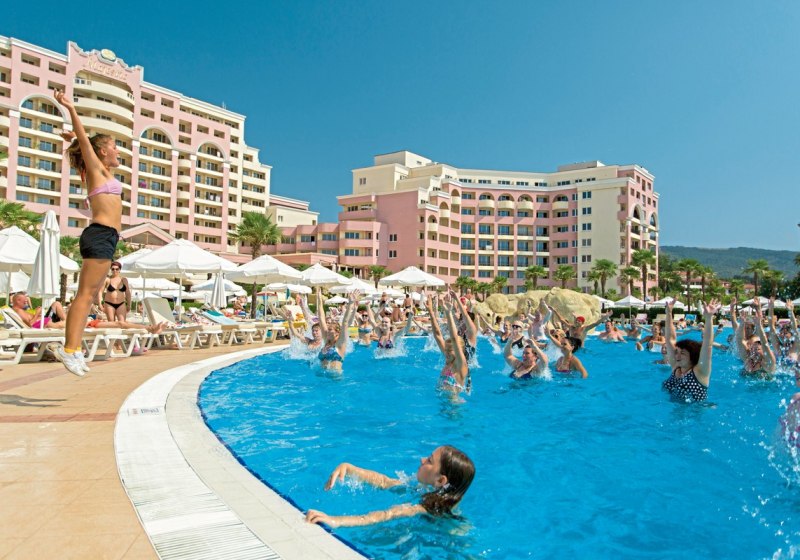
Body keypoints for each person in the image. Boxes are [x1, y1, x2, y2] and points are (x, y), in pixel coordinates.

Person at [52, 90, 123, 376]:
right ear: (102, 151)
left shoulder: (104, 174)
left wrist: (73, 141)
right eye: (114, 146)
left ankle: (74, 348)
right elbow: (85, 140)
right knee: (84, 295)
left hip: (107, 237)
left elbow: (81, 145)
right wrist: (70, 108)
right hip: (99, 234)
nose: (118, 151)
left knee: (91, 295)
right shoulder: (97, 170)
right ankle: (69, 349)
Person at [306, 445, 475, 528]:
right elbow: (385, 482)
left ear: (440, 481)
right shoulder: (433, 492)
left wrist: (335, 520)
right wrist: (350, 468)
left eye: (429, 461)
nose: (422, 459)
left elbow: (385, 515)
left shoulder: (424, 508)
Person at [661, 298, 721, 402]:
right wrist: (669, 313)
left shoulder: (700, 371)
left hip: (696, 411)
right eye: (676, 352)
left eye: (682, 353)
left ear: (692, 356)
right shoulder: (676, 367)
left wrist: (709, 318)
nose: (677, 356)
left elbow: (707, 345)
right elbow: (670, 339)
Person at [425, 295, 471, 395]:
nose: (447, 352)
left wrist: (448, 313)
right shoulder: (448, 359)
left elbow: (454, 339)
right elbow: (438, 335)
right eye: (446, 349)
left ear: (459, 350)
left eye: (450, 350)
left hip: (454, 404)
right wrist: (431, 312)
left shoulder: (461, 364)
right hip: (441, 402)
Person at [316, 289, 359, 372]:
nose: (327, 331)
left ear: (337, 333)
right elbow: (321, 318)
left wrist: (350, 303)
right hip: (321, 375)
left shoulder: (340, 343)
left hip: (334, 376)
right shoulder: (327, 341)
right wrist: (319, 299)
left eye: (330, 329)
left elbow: (345, 322)